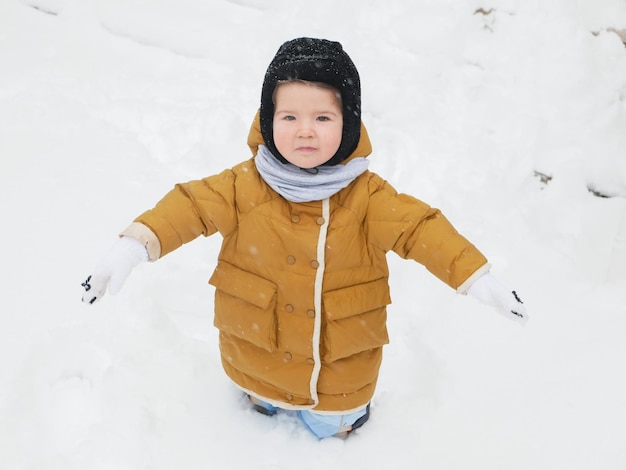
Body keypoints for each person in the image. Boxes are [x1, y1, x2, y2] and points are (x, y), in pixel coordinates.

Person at [81, 37, 528, 439]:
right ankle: (260, 402)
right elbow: (190, 206)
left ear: (348, 123)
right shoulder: (243, 186)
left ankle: (341, 429)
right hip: (254, 354)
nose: (305, 129)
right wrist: (134, 244)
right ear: (268, 120)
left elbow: (420, 228)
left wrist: (476, 276)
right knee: (255, 404)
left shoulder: (367, 198)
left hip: (337, 378)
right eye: (289, 116)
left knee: (332, 432)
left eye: (323, 116)